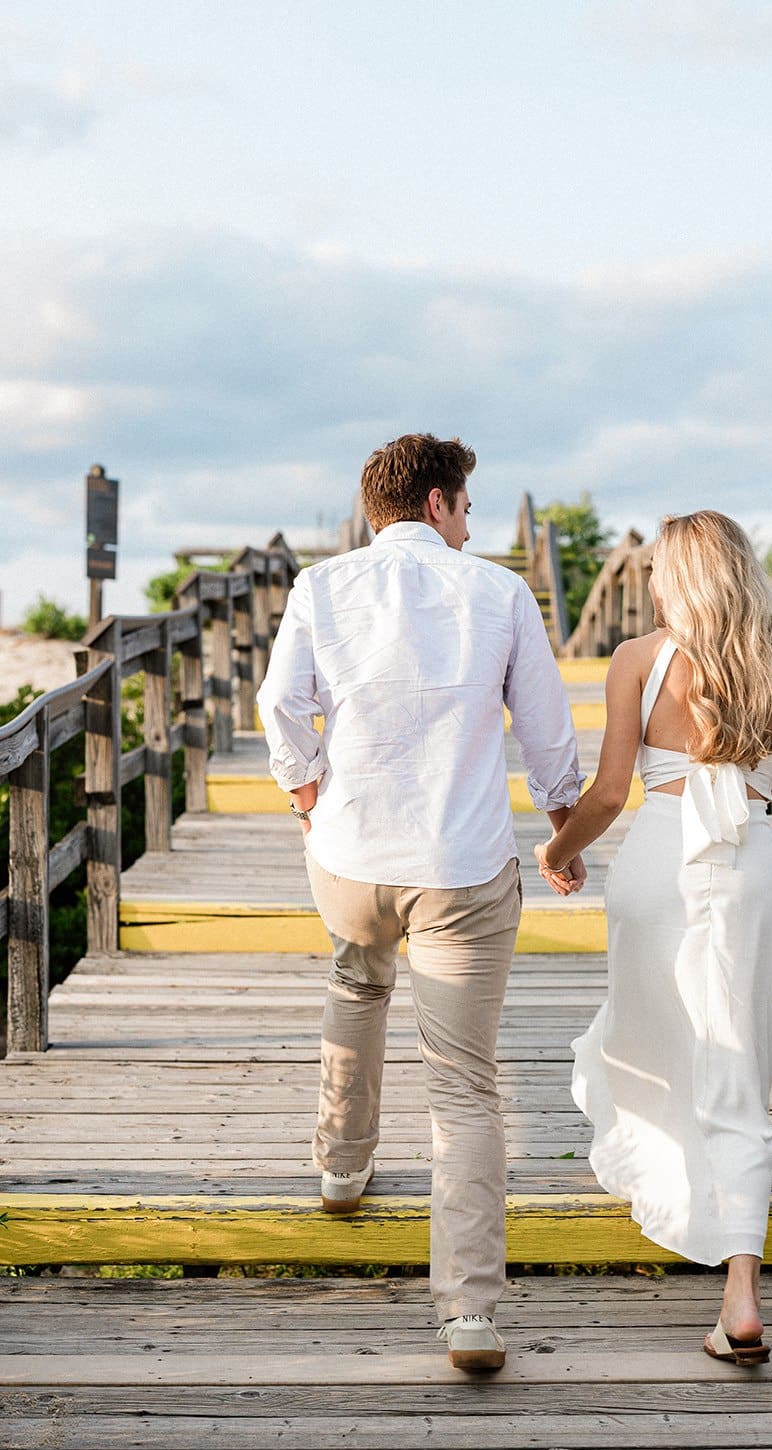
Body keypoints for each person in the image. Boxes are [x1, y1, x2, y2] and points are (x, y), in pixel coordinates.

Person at [257, 434, 585, 1371]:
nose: (471, 524)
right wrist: (561, 834)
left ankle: (341, 1165)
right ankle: (468, 1314)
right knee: (464, 1082)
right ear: (439, 503)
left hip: (350, 853)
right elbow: (547, 730)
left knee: (357, 983)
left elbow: (282, 706)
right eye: (468, 508)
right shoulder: (498, 592)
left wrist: (308, 797)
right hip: (461, 866)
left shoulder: (322, 587)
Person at [535, 509, 772, 1365]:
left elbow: (609, 793)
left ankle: (681, 1200)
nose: (650, 580)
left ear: (679, 576)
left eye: (657, 567)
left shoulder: (639, 659)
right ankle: (740, 1292)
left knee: (648, 1042)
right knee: (738, 1070)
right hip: (751, 867)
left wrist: (555, 851)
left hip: (658, 863)